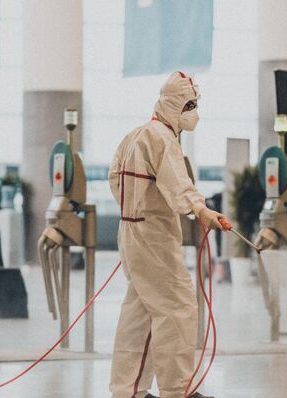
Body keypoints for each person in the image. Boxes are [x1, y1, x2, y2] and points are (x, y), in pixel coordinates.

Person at [108, 71, 226, 398]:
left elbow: (114, 176)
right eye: (189, 105)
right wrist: (201, 210)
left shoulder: (135, 135)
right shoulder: (162, 137)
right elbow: (178, 182)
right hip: (154, 238)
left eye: (195, 104)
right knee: (177, 306)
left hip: (131, 233)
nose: (193, 111)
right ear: (173, 105)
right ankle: (178, 390)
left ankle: (127, 389)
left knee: (141, 310)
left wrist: (132, 211)